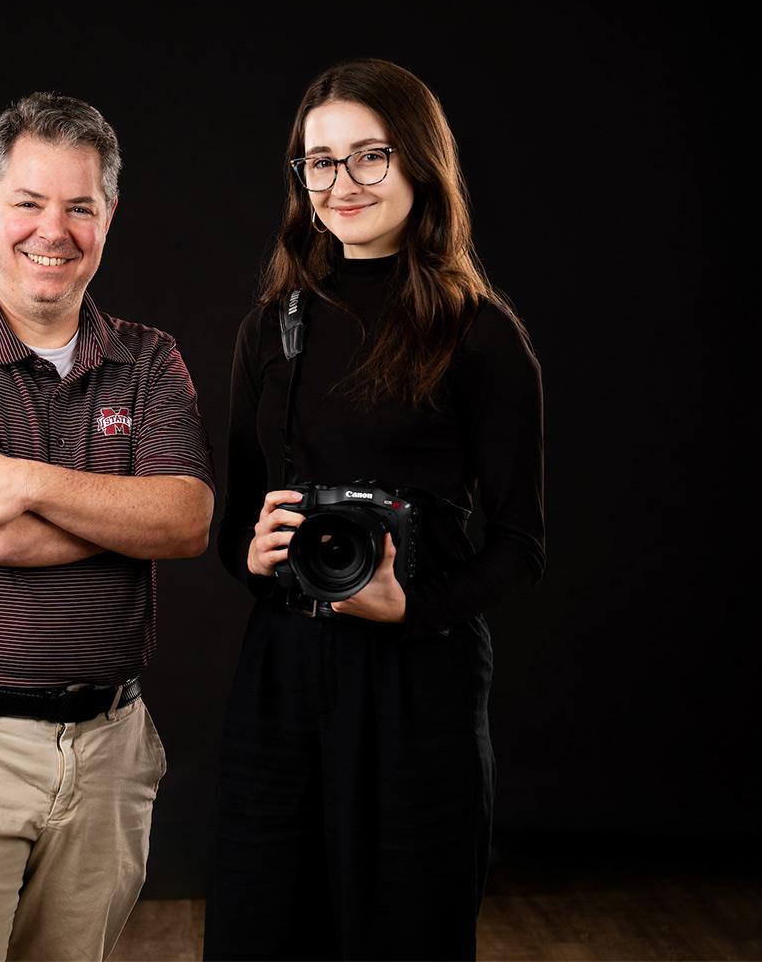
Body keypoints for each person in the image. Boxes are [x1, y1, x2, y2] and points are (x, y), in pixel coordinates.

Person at [0, 92, 215, 962]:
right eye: (26, 201)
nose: (51, 230)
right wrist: (132, 510)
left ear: (109, 218)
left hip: (108, 753)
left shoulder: (152, 358)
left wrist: (27, 481)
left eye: (79, 207)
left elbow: (190, 517)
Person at [206, 59, 546, 960]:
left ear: (420, 164)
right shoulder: (272, 326)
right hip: (283, 671)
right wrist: (249, 552)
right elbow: (233, 516)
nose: (341, 184)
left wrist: (411, 609)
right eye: (319, 162)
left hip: (417, 680)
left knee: (406, 934)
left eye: (368, 157)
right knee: (260, 929)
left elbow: (520, 543)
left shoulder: (477, 330)